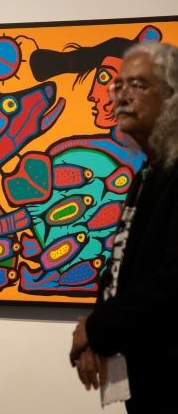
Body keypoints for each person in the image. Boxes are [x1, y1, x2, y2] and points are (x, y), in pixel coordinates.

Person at [70, 42, 178, 412]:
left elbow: (174, 279)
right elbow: (121, 265)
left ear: (172, 96)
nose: (122, 97)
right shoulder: (146, 173)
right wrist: (96, 336)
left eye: (138, 85)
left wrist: (97, 330)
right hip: (146, 373)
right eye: (118, 86)